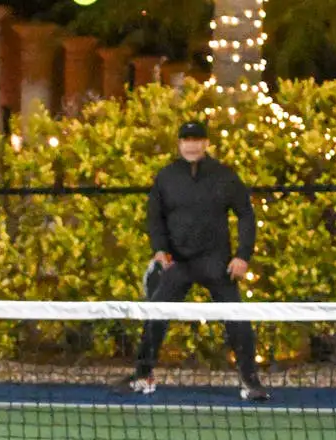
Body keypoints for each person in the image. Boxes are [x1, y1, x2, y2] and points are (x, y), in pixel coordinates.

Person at [113, 121, 270, 402]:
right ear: (179, 144)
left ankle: (250, 380)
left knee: (237, 321)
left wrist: (242, 256)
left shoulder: (225, 176)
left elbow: (246, 214)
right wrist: (160, 250)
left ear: (206, 144)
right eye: (186, 139)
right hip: (178, 263)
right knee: (155, 316)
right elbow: (154, 217)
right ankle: (143, 375)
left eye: (197, 139)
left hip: (216, 263)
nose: (192, 145)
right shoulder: (166, 177)